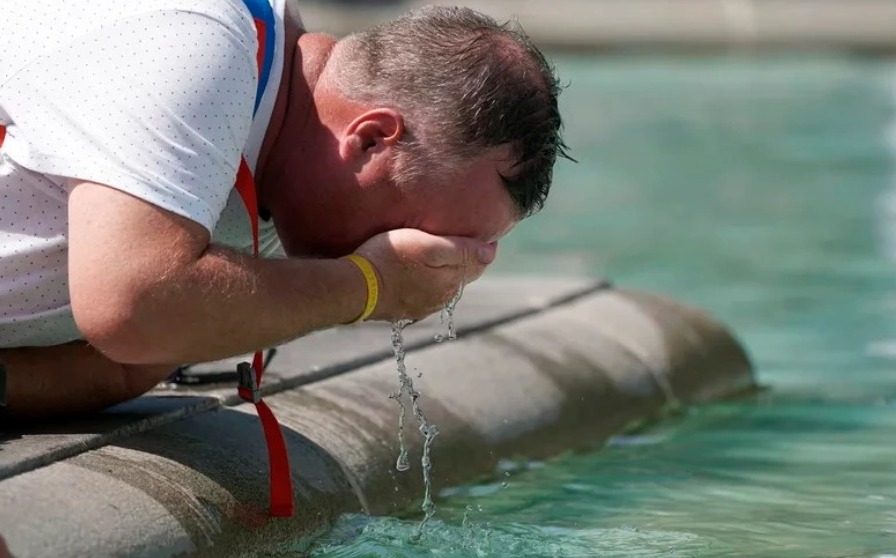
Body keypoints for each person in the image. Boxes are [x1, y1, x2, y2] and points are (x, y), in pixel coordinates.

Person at [0, 0, 569, 419]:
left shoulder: (281, 175)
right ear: (370, 140)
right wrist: (367, 284)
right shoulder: (194, 43)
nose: (420, 261)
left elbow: (129, 363)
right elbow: (133, 306)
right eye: (419, 235)